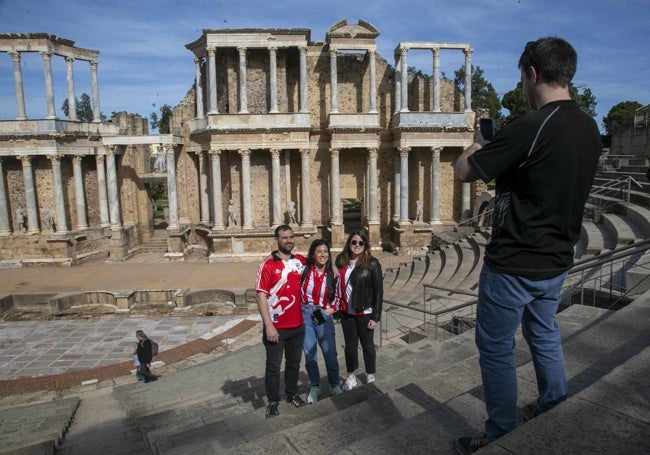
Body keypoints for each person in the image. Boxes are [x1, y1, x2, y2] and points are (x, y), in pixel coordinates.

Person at [453, 37, 601, 454]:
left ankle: (500, 431)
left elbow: (465, 170)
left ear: (532, 73)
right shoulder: (590, 129)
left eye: (521, 77)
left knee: (496, 348)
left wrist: (481, 141)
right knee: (544, 333)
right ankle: (552, 405)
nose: (521, 86)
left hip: (515, 261)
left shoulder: (530, 126)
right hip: (557, 260)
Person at [256, 224, 307, 417]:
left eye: (291, 237)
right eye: (284, 238)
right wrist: (269, 326)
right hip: (276, 328)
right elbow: (261, 296)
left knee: (294, 365)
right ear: (276, 240)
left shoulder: (300, 261)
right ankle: (272, 402)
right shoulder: (267, 265)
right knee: (273, 367)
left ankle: (292, 395)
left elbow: (324, 263)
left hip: (297, 325)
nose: (289, 241)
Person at [334, 230, 383, 390]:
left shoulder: (373, 263)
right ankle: (351, 376)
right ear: (349, 243)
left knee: (368, 346)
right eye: (354, 242)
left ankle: (370, 376)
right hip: (346, 313)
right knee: (349, 347)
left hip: (365, 312)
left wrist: (375, 317)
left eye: (360, 243)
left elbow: (378, 291)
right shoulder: (341, 261)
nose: (357, 245)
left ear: (365, 245)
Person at [300, 238, 343, 403]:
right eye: (319, 251)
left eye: (325, 251)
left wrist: (330, 310)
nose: (323, 254)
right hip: (306, 314)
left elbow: (338, 295)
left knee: (329, 352)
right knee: (310, 354)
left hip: (323, 315)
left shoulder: (332, 273)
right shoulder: (304, 270)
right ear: (313, 254)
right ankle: (315, 386)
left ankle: (333, 384)